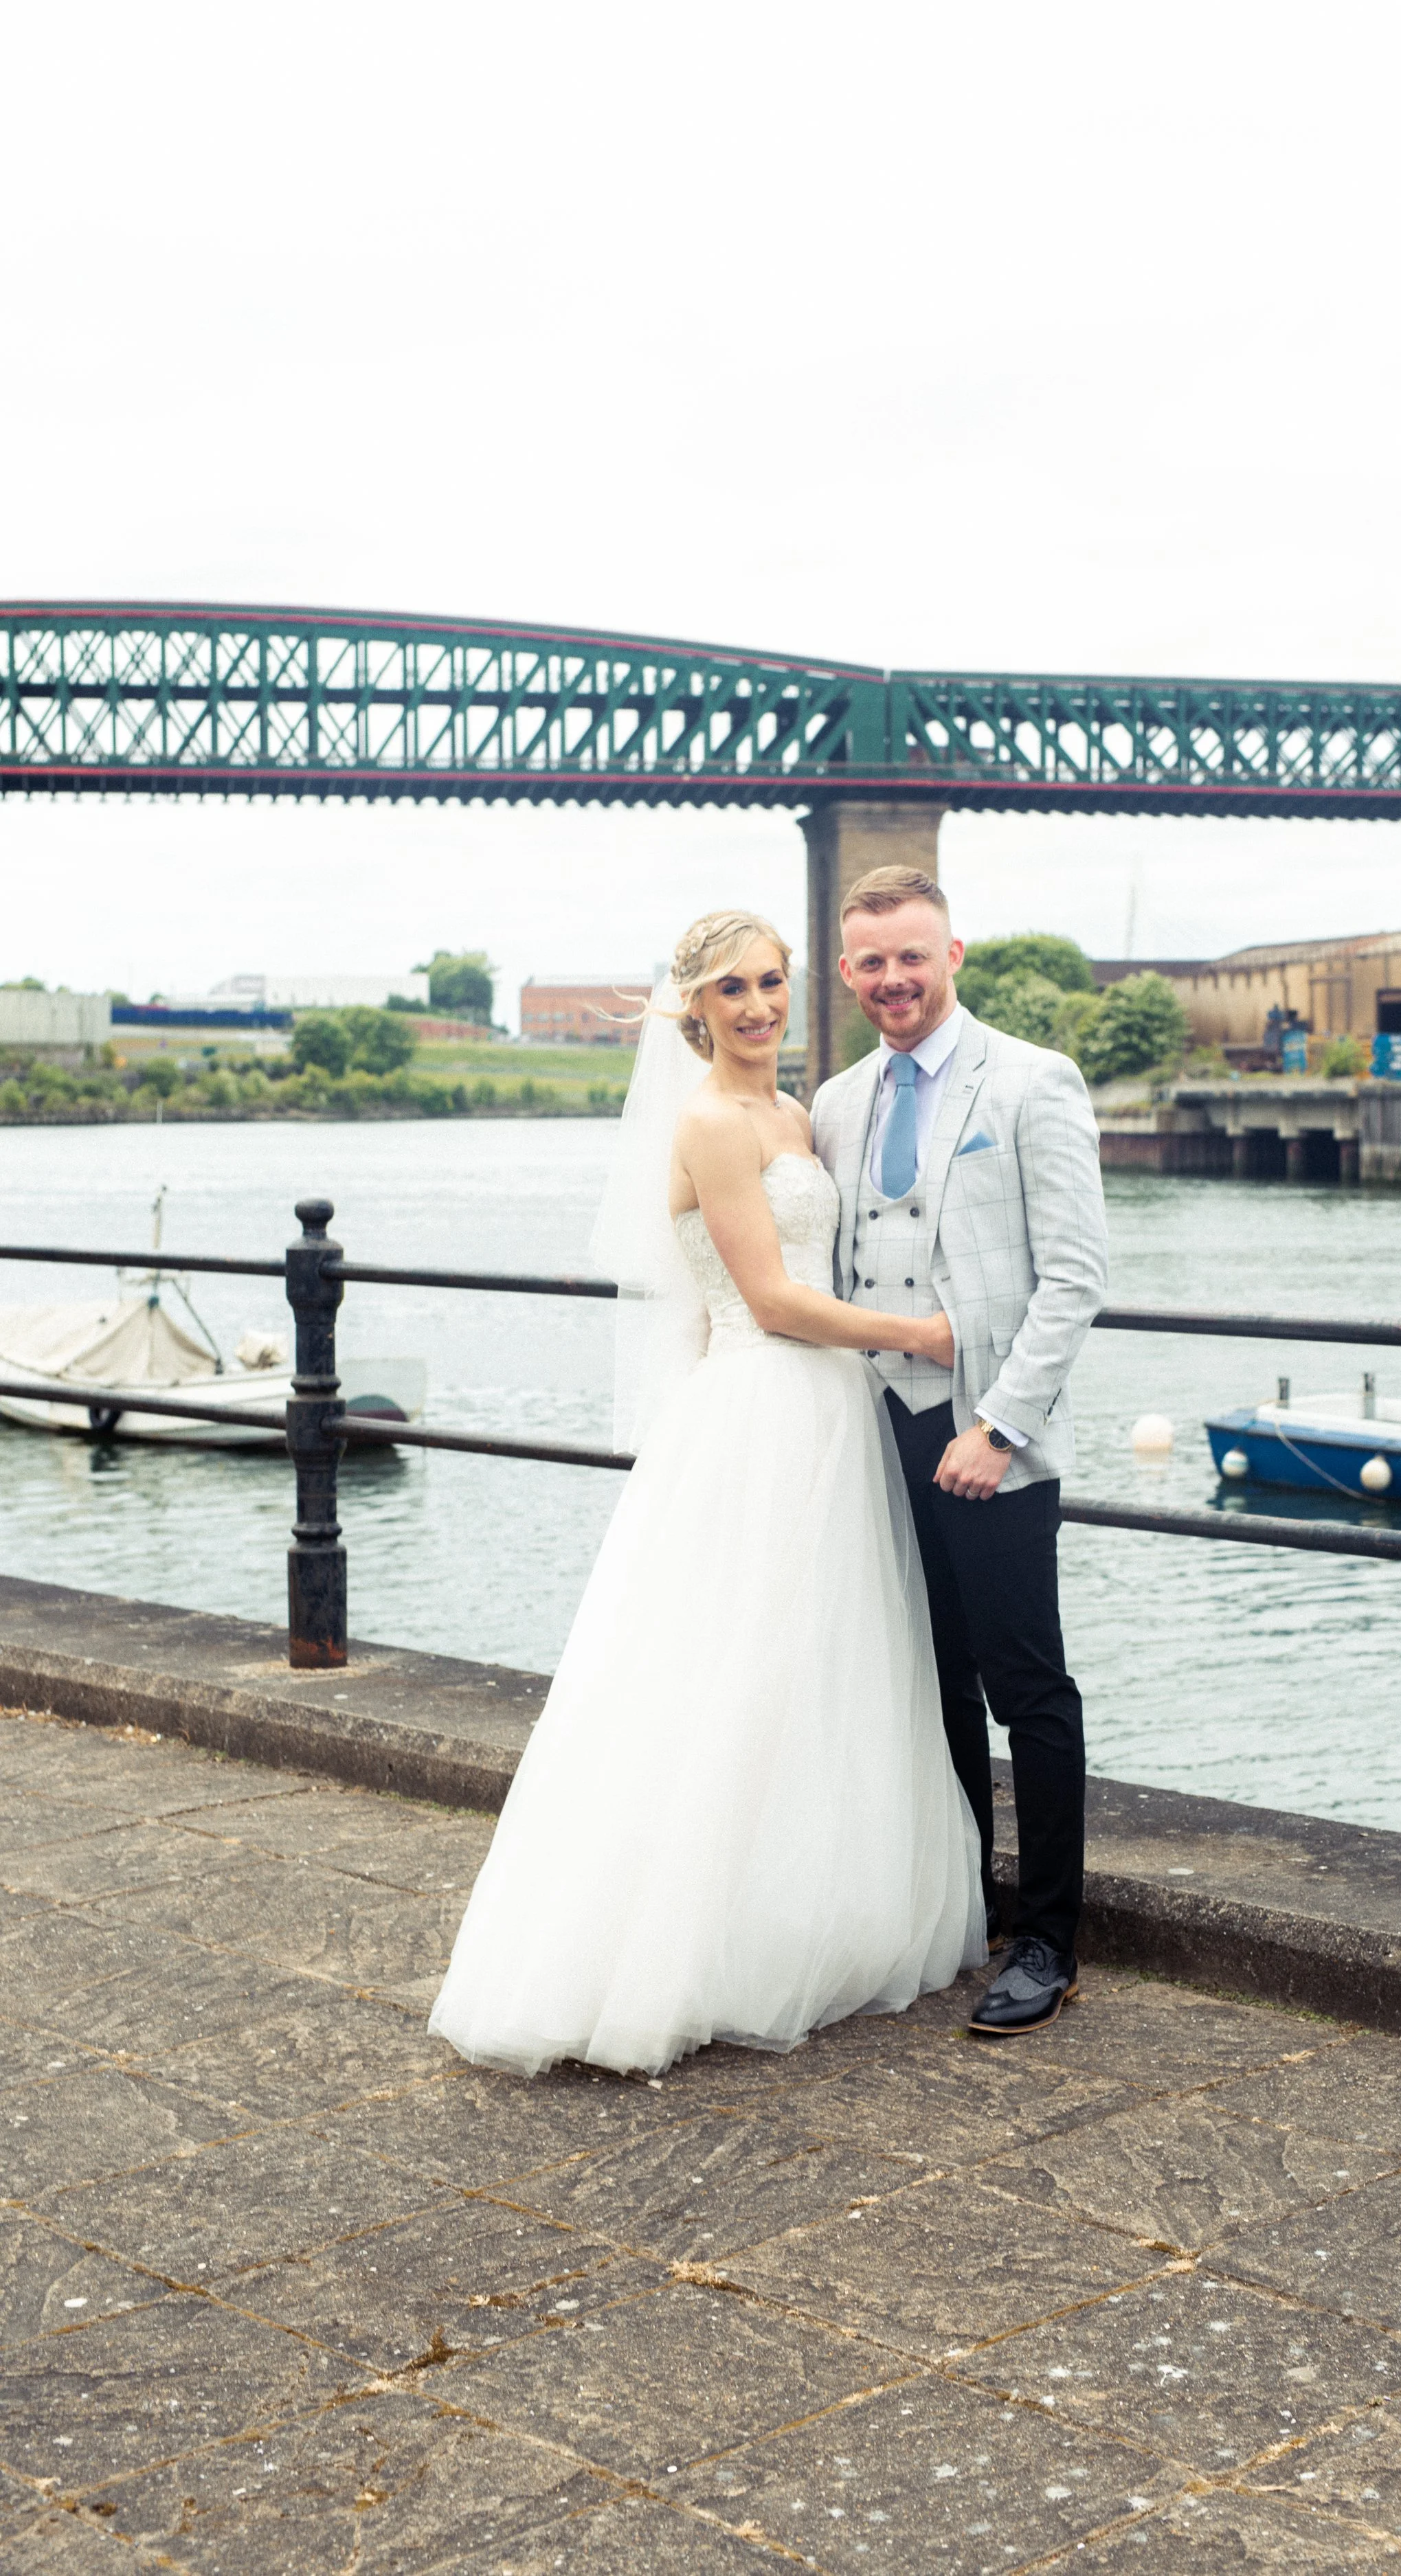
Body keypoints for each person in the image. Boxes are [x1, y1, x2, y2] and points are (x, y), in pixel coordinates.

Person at [429, 909, 985, 2079]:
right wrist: (920, 1333)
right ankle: (679, 1946)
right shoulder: (713, 1123)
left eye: (772, 983)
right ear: (695, 1008)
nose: (756, 1007)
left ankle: (805, 1914)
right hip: (764, 1410)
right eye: (731, 990)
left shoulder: (798, 1113)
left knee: (818, 1668)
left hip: (824, 1414)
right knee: (726, 1670)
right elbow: (772, 1301)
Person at [811, 867, 1108, 2037]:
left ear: (954, 955)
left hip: (987, 1429)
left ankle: (1049, 1938)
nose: (894, 979)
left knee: (1026, 1681)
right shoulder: (837, 1101)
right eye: (872, 962)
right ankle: (965, 1904)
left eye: (912, 957)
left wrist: (998, 1423)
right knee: (931, 1675)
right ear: (848, 972)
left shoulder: (1034, 1081)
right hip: (876, 1425)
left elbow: (1076, 1277)